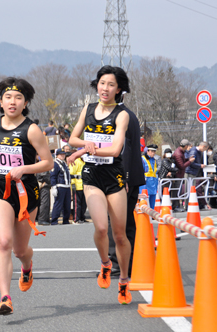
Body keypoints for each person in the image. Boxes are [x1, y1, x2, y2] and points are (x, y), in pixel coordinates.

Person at [0, 77, 53, 315]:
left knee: (19, 250)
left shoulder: (32, 130)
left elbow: (48, 162)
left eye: (18, 98)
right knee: (4, 242)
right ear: (1, 101)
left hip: (26, 193)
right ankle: (5, 297)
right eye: (8, 97)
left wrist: (24, 168)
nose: (12, 102)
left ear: (25, 103)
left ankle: (27, 265)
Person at [68, 65, 132, 305]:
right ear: (97, 85)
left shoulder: (122, 114)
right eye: (102, 83)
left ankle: (124, 280)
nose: (105, 88)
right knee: (101, 228)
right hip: (92, 175)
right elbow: (72, 138)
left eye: (111, 84)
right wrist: (86, 146)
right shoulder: (89, 108)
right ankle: (106, 263)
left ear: (119, 89)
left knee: (120, 234)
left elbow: (115, 149)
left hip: (114, 176)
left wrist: (86, 149)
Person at [108, 98, 145, 277]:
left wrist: (125, 178)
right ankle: (129, 263)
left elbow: (125, 148)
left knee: (116, 221)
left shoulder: (120, 116)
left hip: (123, 177)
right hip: (131, 175)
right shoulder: (130, 114)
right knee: (127, 222)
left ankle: (117, 263)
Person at [50, 149, 72, 225]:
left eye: (64, 154)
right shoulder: (55, 164)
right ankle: (54, 220)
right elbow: (53, 176)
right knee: (58, 204)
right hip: (60, 186)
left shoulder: (64, 163)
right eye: (61, 154)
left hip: (67, 186)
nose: (63, 156)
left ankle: (66, 220)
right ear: (57, 155)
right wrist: (54, 187)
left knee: (67, 204)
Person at [185, 141, 209, 209]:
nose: (204, 151)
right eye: (205, 149)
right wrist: (200, 165)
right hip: (190, 172)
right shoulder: (194, 151)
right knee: (189, 190)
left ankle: (190, 205)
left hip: (193, 172)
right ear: (203, 146)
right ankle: (187, 206)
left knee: (192, 190)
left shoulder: (197, 151)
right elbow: (191, 163)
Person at [172, 139, 194, 212]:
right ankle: (175, 206)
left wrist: (188, 159)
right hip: (178, 175)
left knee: (178, 191)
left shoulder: (180, 152)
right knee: (177, 191)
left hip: (179, 174)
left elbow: (182, 161)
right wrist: (189, 161)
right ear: (186, 146)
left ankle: (176, 206)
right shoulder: (178, 153)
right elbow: (181, 166)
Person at [69, 150, 87, 223]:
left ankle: (82, 217)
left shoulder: (84, 162)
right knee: (77, 204)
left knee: (84, 203)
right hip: (77, 185)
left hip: (84, 185)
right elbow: (71, 173)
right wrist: (72, 185)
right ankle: (76, 218)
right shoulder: (76, 161)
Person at [140, 144, 159, 209]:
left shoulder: (154, 160)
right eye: (152, 151)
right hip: (145, 184)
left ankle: (151, 216)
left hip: (153, 183)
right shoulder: (142, 159)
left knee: (152, 202)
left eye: (154, 151)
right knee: (144, 202)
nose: (153, 153)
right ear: (147, 151)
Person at [36, 160, 51, 226]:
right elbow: (44, 176)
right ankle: (42, 219)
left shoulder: (37, 164)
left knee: (41, 202)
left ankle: (41, 218)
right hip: (44, 185)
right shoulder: (43, 165)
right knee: (44, 202)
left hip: (39, 185)